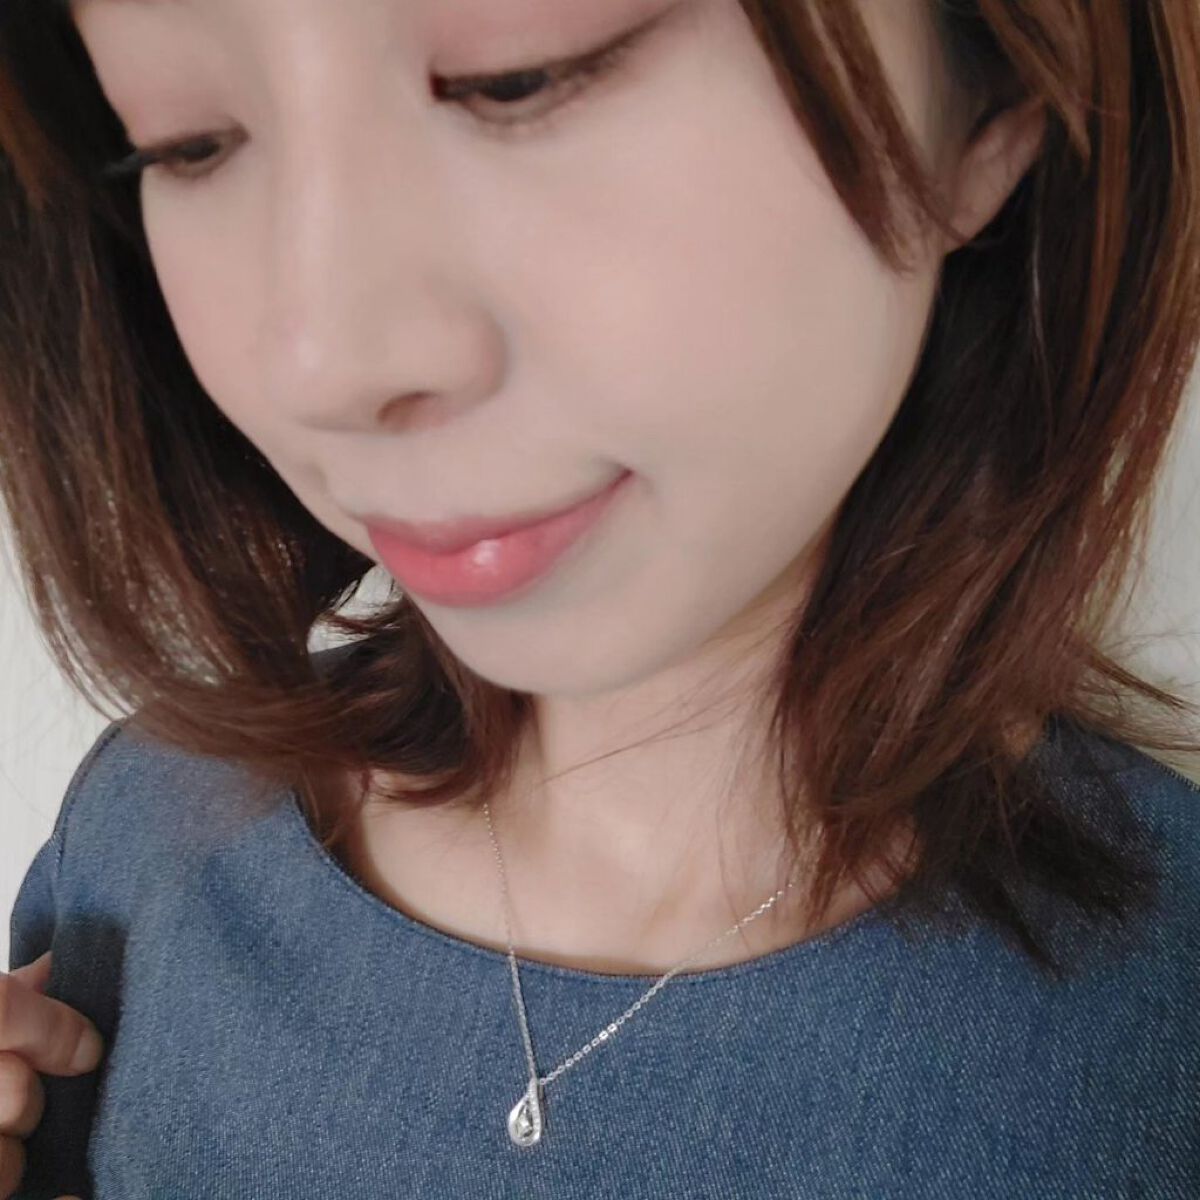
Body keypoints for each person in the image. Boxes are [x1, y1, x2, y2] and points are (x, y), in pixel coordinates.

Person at [1, 0, 1199, 1195]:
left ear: (989, 102)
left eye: (520, 76)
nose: (323, 364)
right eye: (190, 142)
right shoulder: (147, 833)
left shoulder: (1154, 1037)